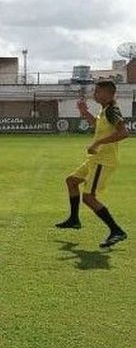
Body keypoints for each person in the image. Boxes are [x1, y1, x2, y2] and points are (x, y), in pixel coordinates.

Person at [55, 80, 128, 248]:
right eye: (95, 91)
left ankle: (116, 230)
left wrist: (97, 143)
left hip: (104, 161)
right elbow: (96, 125)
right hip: (95, 159)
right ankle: (74, 220)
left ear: (110, 94)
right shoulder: (104, 111)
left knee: (88, 197)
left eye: (98, 91)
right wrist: (84, 112)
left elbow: (124, 132)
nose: (95, 94)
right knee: (71, 181)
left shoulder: (112, 111)